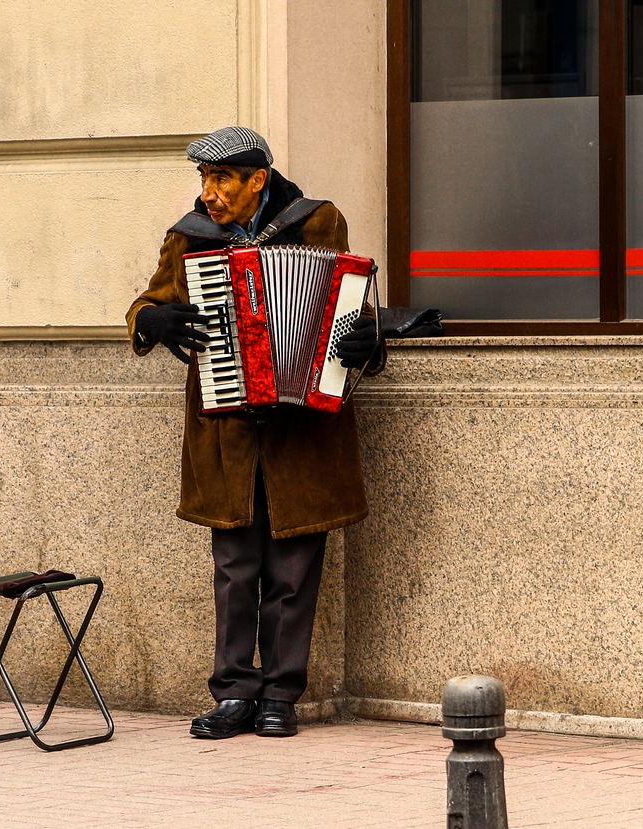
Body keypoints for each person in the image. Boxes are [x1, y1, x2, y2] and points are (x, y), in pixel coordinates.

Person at [126, 126, 382, 739]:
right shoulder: (190, 236)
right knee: (235, 567)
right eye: (203, 179)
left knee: (294, 571)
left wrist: (368, 341)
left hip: (303, 428)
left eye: (220, 180)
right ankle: (234, 693)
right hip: (228, 430)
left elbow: (348, 301)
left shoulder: (316, 222)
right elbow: (145, 304)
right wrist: (153, 320)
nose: (208, 194)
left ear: (257, 180)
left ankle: (281, 695)